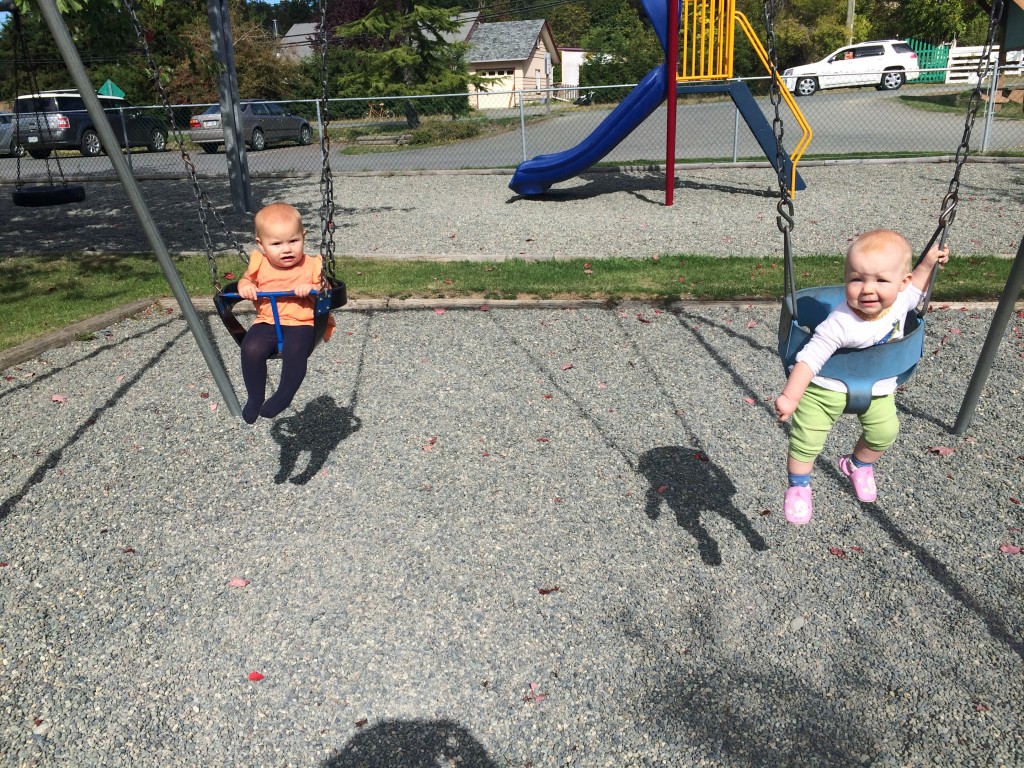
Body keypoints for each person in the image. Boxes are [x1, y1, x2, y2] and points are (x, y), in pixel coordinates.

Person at [774, 229, 950, 524]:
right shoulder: (839, 323)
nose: (867, 289)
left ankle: (857, 464)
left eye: (881, 280)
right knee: (806, 439)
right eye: (857, 279)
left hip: (876, 388)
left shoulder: (900, 302)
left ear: (901, 283)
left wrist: (929, 261)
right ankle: (798, 487)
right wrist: (790, 397)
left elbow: (918, 286)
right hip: (823, 389)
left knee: (885, 433)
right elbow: (809, 358)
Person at [236, 202, 335, 424]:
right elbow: (246, 279)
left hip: (303, 322)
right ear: (261, 245)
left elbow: (325, 291)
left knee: (295, 350)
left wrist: (313, 290)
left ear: (303, 236)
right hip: (268, 321)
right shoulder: (259, 264)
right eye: (276, 244)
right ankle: (255, 397)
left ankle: (284, 395)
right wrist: (245, 286)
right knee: (251, 348)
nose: (287, 249)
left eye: (293, 241)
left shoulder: (312, 265)